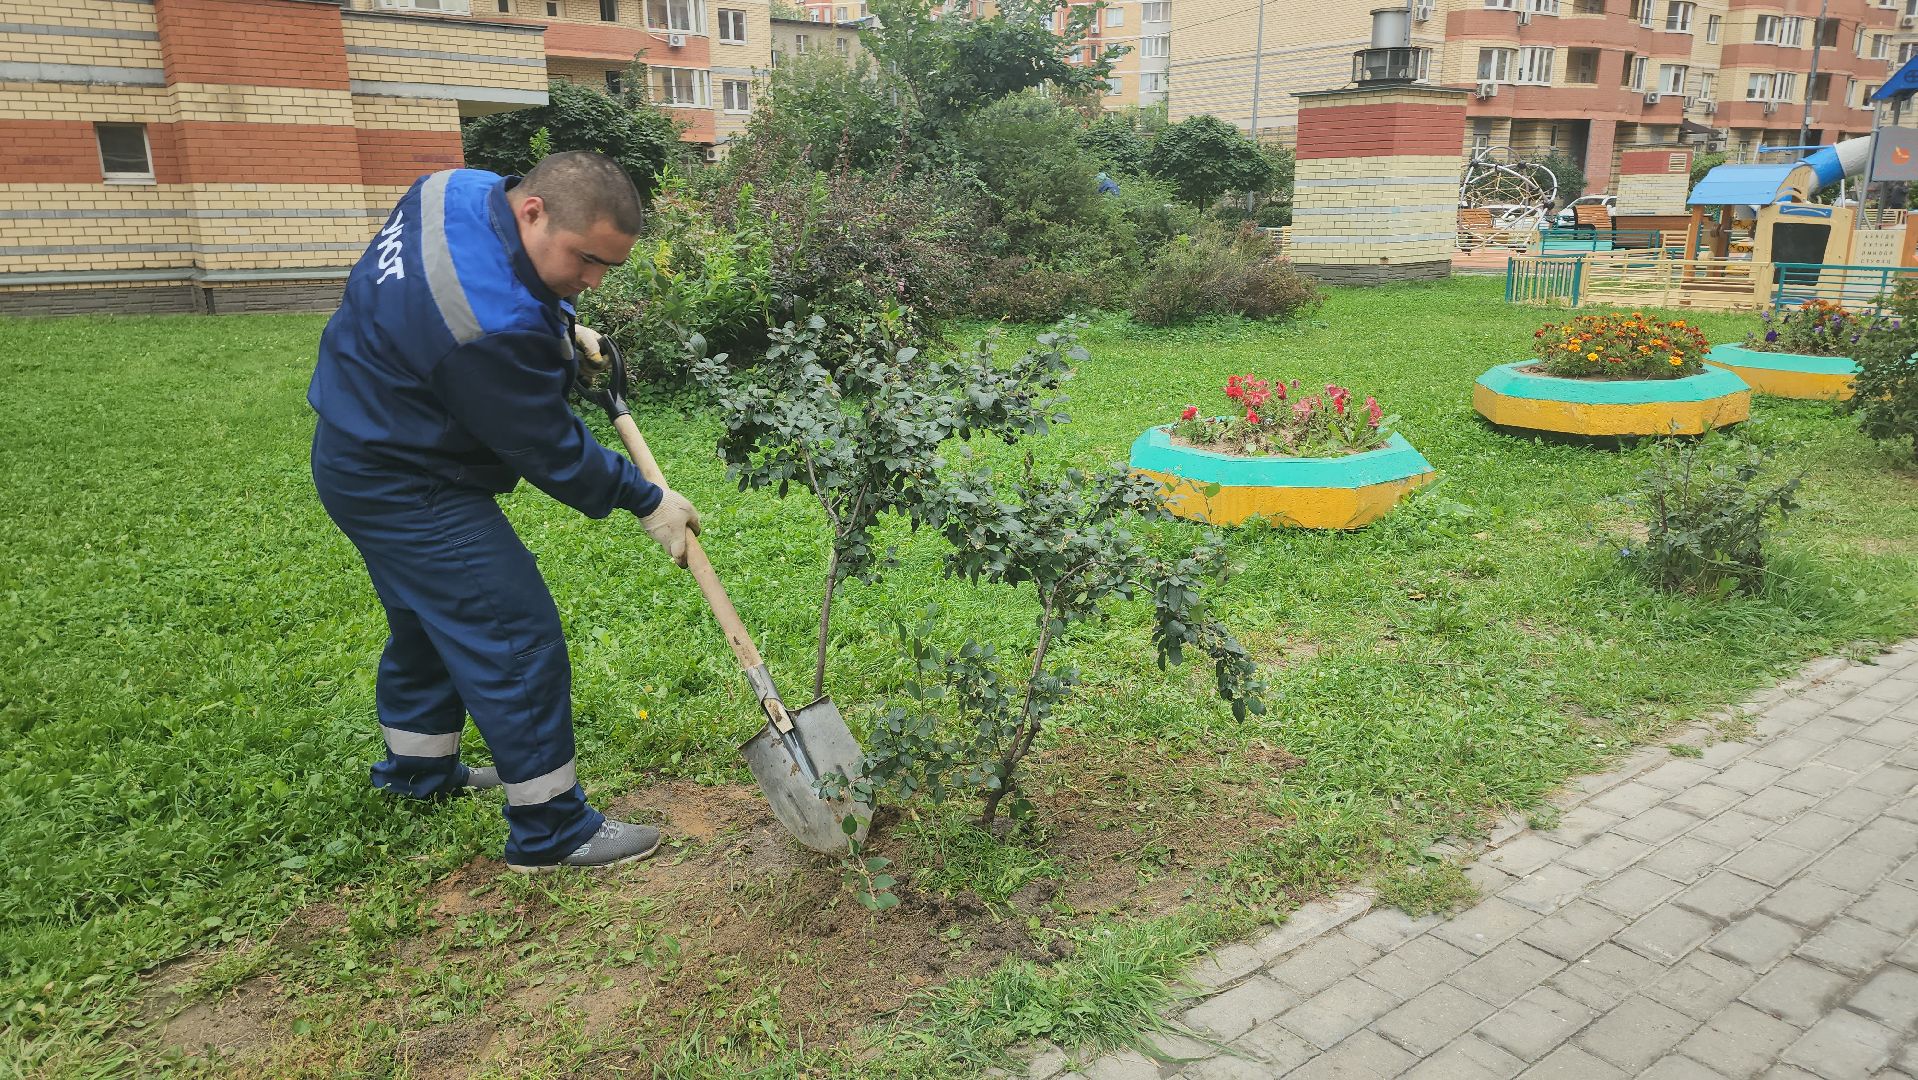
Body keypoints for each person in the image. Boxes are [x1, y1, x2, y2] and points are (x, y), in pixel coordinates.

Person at [308, 152, 701, 873]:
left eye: (606, 269)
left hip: (353, 445)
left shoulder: (451, 189)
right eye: (586, 262)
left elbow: (492, 277)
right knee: (512, 632)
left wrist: (559, 326)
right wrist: (647, 499)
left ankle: (417, 775)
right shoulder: (486, 326)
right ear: (533, 212)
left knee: (429, 625)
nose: (593, 282)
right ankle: (551, 829)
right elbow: (547, 447)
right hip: (406, 481)